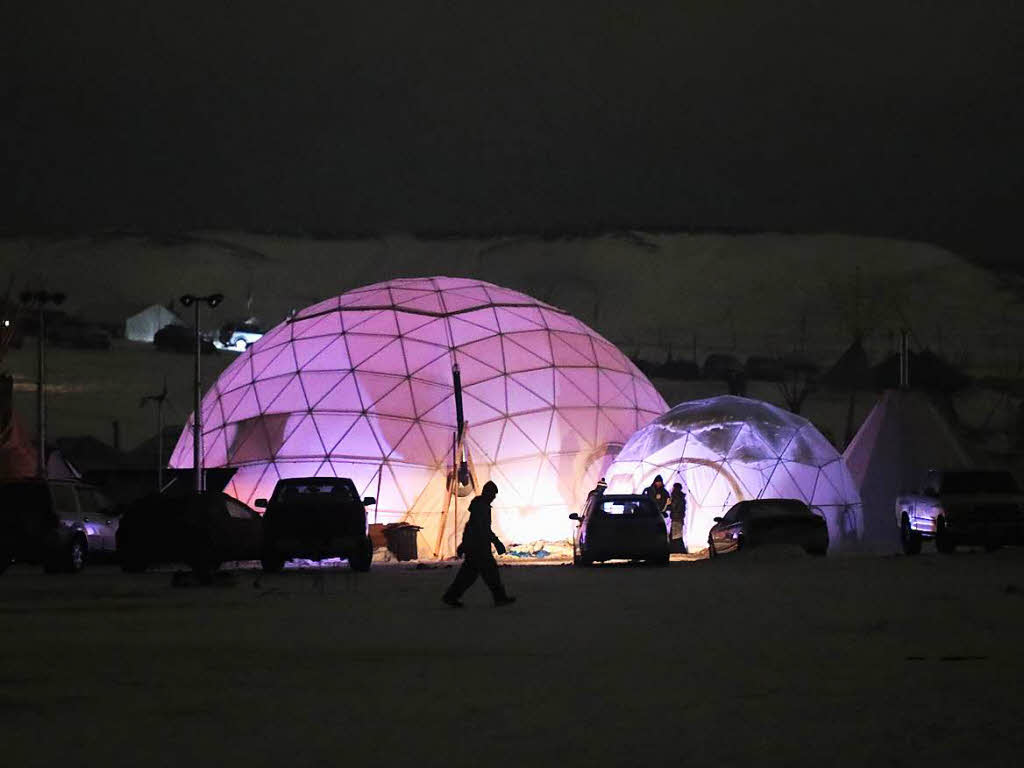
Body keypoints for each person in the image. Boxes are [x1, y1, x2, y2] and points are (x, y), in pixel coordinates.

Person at [442, 481, 516, 608]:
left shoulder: (480, 506)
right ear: (488, 493)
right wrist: (496, 542)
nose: (494, 497)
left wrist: (464, 545)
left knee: (469, 575)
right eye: (493, 494)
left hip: (476, 547)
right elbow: (480, 528)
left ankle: (451, 596)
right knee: (489, 573)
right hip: (479, 548)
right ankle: (499, 598)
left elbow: (471, 527)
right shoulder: (481, 507)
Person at [669, 482, 687, 553]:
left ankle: (676, 550)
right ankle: (677, 549)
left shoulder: (675, 496)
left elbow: (673, 507)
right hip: (680, 518)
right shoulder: (682, 497)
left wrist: (669, 504)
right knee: (678, 534)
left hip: (676, 517)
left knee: (675, 535)